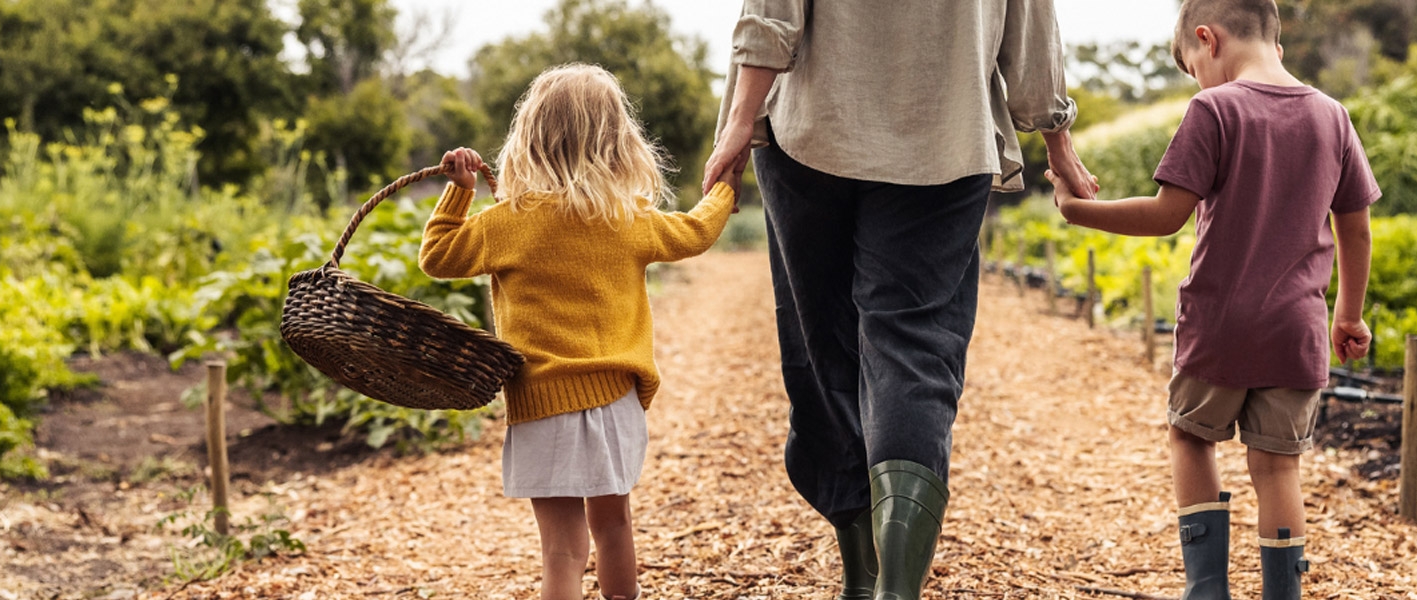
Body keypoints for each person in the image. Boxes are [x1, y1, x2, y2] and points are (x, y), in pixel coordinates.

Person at [702, 2, 1098, 599]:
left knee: (824, 343)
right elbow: (1032, 27)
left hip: (813, 127)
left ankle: (862, 579)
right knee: (914, 346)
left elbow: (771, 11)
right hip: (949, 133)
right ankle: (897, 588)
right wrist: (1056, 138)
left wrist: (738, 120)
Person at [1045, 1, 1378, 598]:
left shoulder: (1215, 108)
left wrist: (1077, 210)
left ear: (1208, 39)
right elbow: (1355, 228)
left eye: (1191, 64)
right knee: (1277, 466)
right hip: (1297, 328)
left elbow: (1166, 215)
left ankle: (1207, 591)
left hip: (1220, 324)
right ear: (1275, 42)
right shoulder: (1333, 116)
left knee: (1192, 436)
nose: (1195, 78)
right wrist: (1348, 314)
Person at [419, 64, 737, 600]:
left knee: (562, 549)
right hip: (615, 400)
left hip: (541, 403)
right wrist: (726, 183)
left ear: (528, 140)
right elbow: (697, 231)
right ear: (617, 143)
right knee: (613, 527)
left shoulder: (507, 222)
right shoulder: (626, 218)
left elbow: (436, 256)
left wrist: (460, 193)